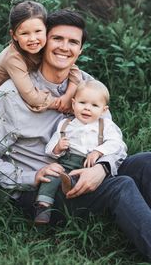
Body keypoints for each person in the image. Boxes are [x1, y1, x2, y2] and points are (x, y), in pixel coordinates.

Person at [0, 9, 151, 265]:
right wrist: (31, 177)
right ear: (43, 42)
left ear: (80, 50)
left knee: (148, 161)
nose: (64, 47)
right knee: (122, 186)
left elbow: (113, 139)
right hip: (43, 192)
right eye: (57, 39)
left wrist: (103, 168)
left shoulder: (86, 86)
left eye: (73, 42)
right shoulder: (11, 95)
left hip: (85, 168)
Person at [0, 0, 81, 126]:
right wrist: (60, 104)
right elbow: (31, 96)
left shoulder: (42, 45)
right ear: (14, 35)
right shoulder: (12, 58)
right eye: (25, 33)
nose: (32, 39)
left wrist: (68, 95)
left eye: (38, 31)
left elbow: (72, 68)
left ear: (46, 30)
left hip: (19, 97)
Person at [34, 79, 127, 224]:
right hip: (67, 161)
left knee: (93, 180)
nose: (87, 108)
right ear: (73, 103)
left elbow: (116, 143)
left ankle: (71, 183)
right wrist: (57, 147)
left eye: (94, 105)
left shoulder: (105, 125)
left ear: (104, 110)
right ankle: (43, 208)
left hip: (90, 164)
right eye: (82, 103)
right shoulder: (66, 125)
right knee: (51, 177)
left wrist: (98, 151)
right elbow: (49, 149)